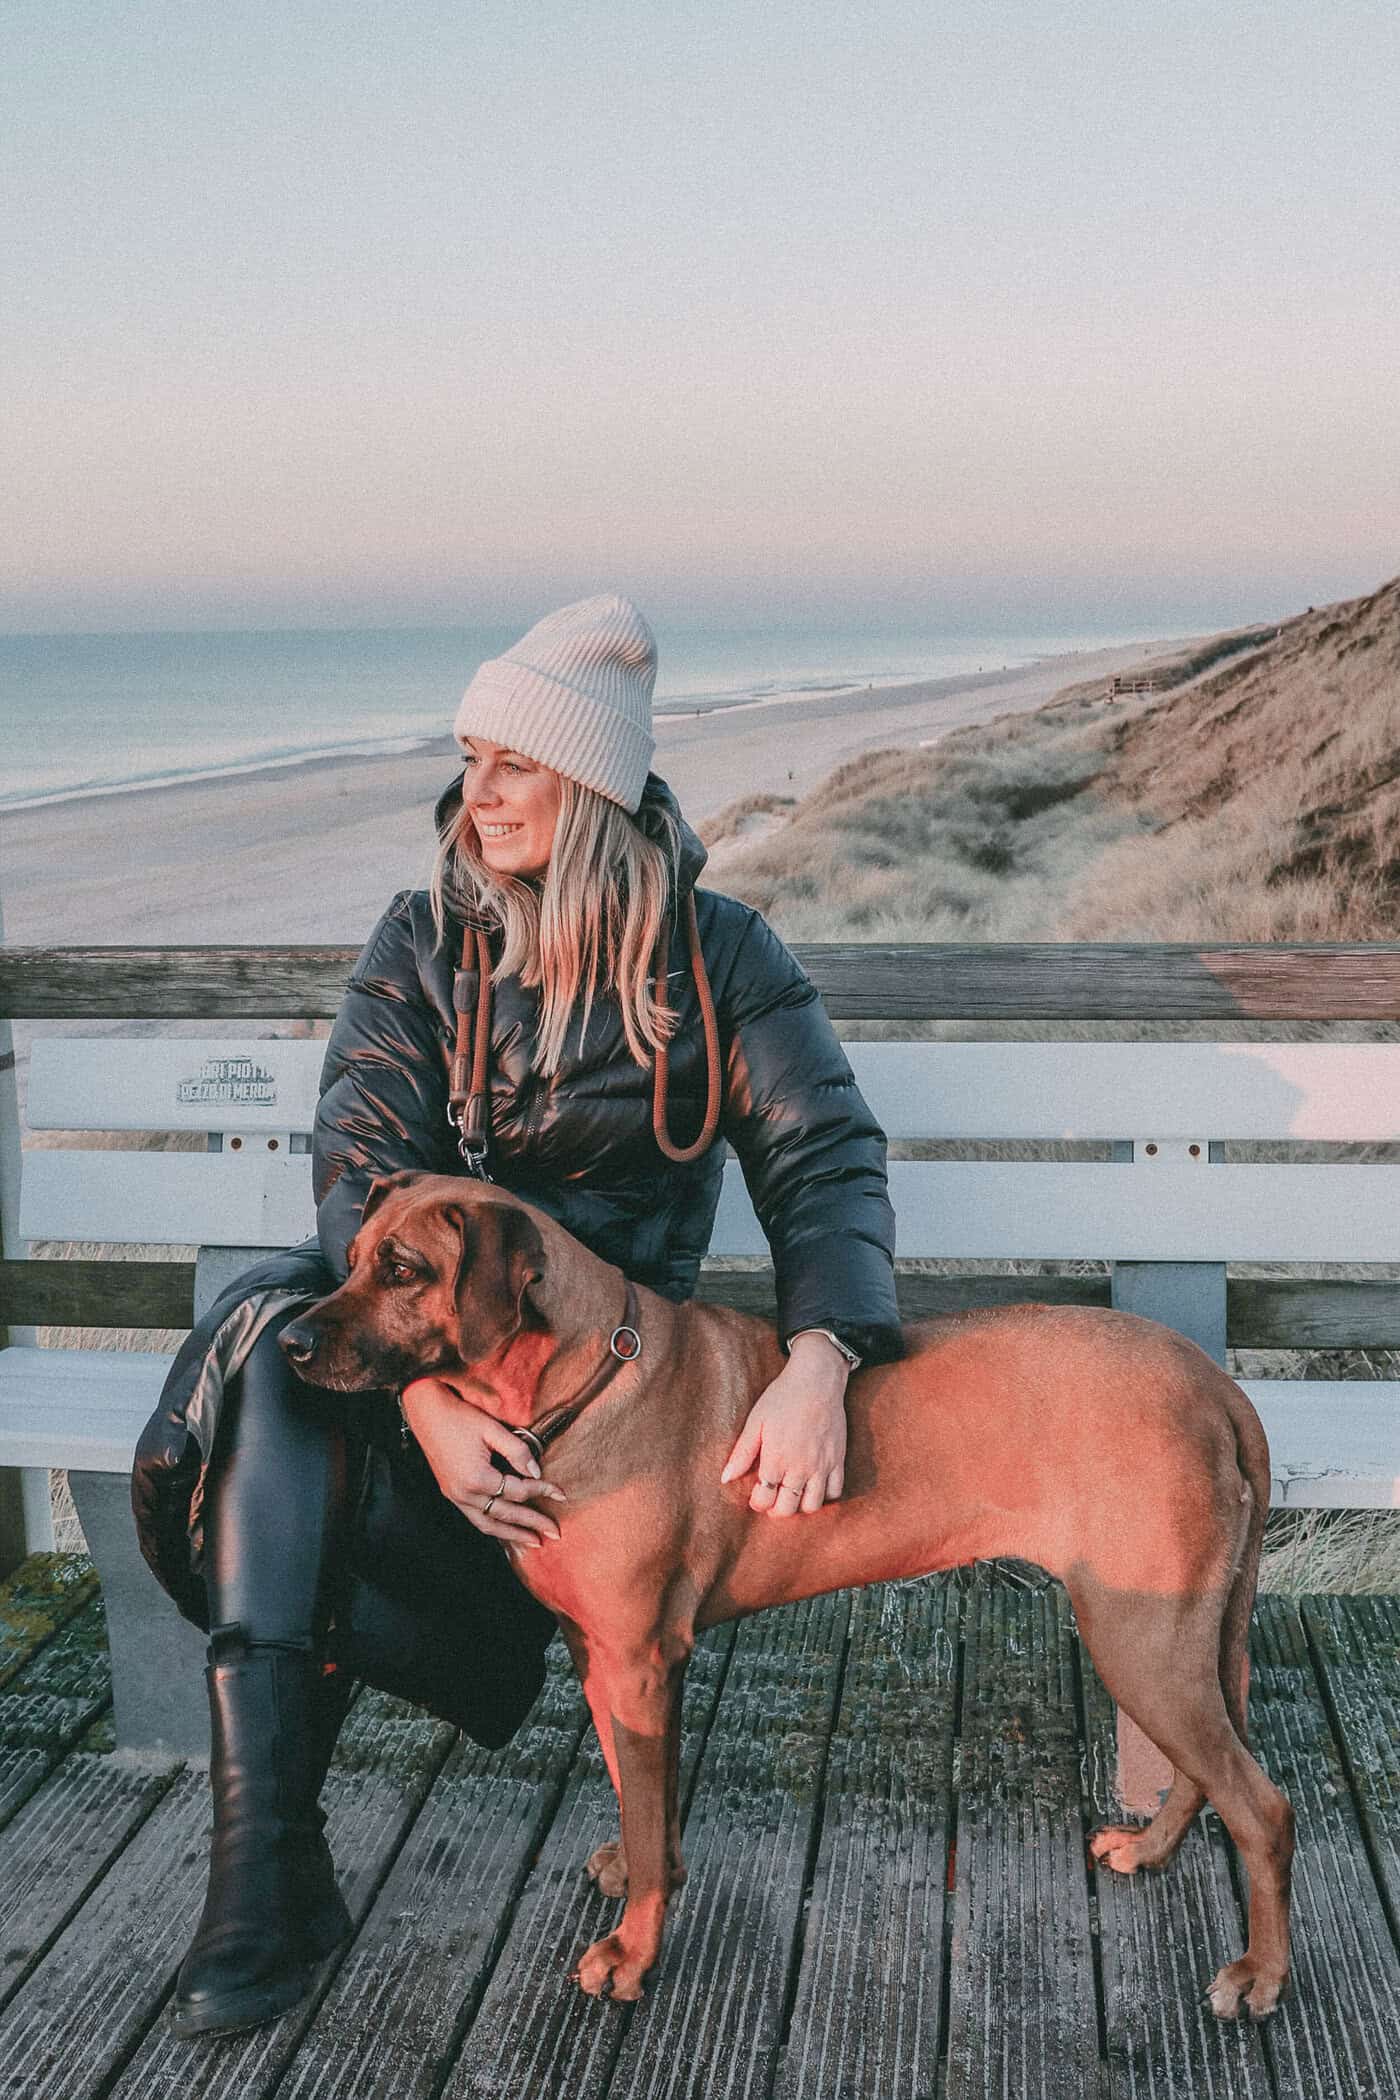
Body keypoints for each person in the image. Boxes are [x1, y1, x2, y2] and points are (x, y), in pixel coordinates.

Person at [132, 592, 902, 2039]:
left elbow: (824, 1156)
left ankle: (277, 1862)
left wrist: (824, 1351)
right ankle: (264, 1871)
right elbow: (358, 1171)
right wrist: (427, 1407)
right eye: (470, 758)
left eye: (514, 765)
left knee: (274, 1386)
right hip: (432, 1378)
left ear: (595, 789)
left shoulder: (720, 954)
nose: (473, 794)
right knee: (278, 1356)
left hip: (609, 1406)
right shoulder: (427, 939)